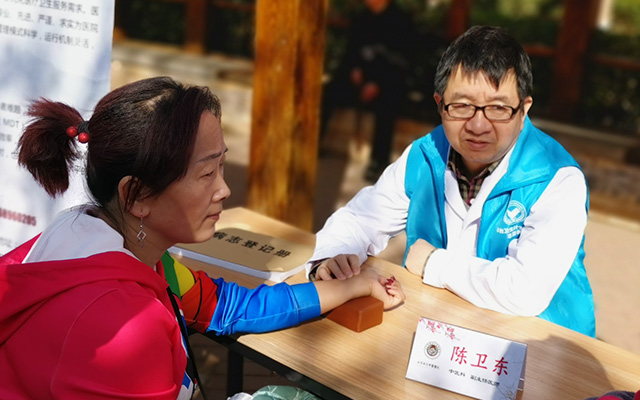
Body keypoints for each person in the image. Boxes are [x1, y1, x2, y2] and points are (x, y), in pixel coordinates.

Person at [0, 76, 405, 399]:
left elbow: (225, 307)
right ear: (136, 195)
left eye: (222, 167)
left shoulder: (102, 244)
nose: (225, 190)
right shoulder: (122, 325)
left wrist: (351, 286)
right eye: (207, 173)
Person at [307, 25, 596, 337]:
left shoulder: (557, 178)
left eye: (498, 108)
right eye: (462, 106)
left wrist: (432, 262)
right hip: (447, 334)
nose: (478, 125)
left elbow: (525, 291)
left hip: (546, 344)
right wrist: (331, 256)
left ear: (524, 109)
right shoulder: (424, 155)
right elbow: (362, 219)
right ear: (439, 103)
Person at [320, 0, 417, 181]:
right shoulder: (362, 18)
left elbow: (402, 62)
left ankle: (378, 161)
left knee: (387, 106)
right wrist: (354, 69)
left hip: (386, 83)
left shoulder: (401, 21)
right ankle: (316, 142)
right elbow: (351, 51)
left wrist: (377, 82)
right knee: (330, 92)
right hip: (359, 80)